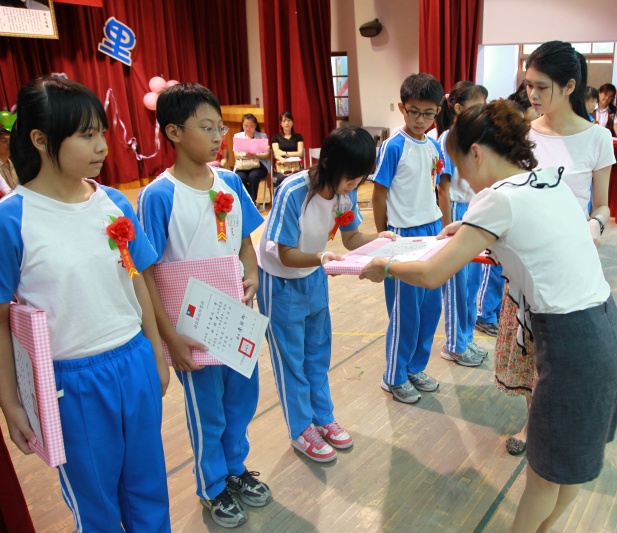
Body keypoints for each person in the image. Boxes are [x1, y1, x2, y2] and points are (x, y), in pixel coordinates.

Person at [359, 100, 617, 533]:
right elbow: (531, 237)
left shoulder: (496, 200)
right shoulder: (547, 180)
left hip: (572, 344)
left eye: (461, 166)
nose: (463, 179)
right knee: (570, 468)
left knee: (543, 478)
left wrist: (384, 266)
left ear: (477, 152)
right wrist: (468, 232)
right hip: (606, 330)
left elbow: (431, 273)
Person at [0, 77, 171, 532]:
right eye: (86, 135)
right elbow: (0, 321)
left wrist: (155, 352)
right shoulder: (12, 218)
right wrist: (11, 404)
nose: (102, 146)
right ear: (41, 140)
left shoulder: (112, 201)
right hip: (71, 383)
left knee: (149, 487)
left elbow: (137, 280)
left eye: (102, 133)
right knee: (96, 504)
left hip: (133, 361)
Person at [137, 83, 267, 529]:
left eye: (220, 129)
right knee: (206, 410)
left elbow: (244, 243)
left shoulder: (229, 181)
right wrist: (170, 337)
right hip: (192, 326)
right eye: (206, 128)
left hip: (234, 316)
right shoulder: (158, 195)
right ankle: (212, 485)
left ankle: (234, 468)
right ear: (173, 132)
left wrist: (251, 273)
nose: (217, 137)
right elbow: (146, 272)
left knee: (241, 400)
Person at [497, 40, 616, 457]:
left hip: (570, 264)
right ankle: (533, 421)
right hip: (526, 260)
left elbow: (603, 206)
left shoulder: (597, 138)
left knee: (560, 352)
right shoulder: (524, 134)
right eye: (528, 85)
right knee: (529, 348)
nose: (531, 94)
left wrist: (595, 226)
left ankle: (555, 424)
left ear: (569, 86)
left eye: (541, 87)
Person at [258, 126, 396, 462]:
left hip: (315, 274)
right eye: (351, 177)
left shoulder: (346, 193)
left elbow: (351, 239)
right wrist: (321, 258)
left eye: (360, 178)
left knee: (318, 353)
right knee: (291, 360)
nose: (354, 184)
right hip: (280, 281)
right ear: (330, 163)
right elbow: (284, 253)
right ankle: (300, 428)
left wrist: (381, 239)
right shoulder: (293, 191)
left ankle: (322, 417)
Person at [371, 73, 445, 404]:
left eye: (428, 114)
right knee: (406, 312)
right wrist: (383, 237)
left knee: (431, 307)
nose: (420, 120)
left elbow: (434, 188)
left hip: (432, 230)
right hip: (403, 235)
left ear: (437, 112)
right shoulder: (393, 146)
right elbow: (379, 194)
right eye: (414, 111)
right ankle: (394, 375)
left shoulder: (434, 145)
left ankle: (415, 367)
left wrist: (443, 229)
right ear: (402, 108)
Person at [435, 81, 488, 367]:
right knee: (457, 283)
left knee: (472, 283)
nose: (483, 111)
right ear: (457, 108)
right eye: (477, 105)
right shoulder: (448, 139)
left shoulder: (474, 137)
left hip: (475, 209)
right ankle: (454, 344)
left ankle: (466, 337)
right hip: (457, 210)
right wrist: (448, 228)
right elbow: (443, 188)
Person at [233, 113, 270, 204]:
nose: (248, 129)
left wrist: (255, 155)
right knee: (240, 177)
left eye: (251, 126)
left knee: (253, 176)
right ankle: (247, 200)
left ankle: (252, 202)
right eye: (246, 126)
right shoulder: (238, 136)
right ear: (242, 125)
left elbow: (266, 154)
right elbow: (236, 154)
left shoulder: (262, 136)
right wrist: (245, 155)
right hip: (243, 164)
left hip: (259, 164)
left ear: (255, 125)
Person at [271, 111, 304, 188]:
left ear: (292, 122)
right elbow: (276, 153)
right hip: (282, 167)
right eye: (284, 121)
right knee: (280, 178)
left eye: (289, 120)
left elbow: (300, 153)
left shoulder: (298, 137)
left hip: (295, 166)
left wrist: (284, 153)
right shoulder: (276, 137)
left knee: (301, 178)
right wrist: (281, 158)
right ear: (280, 123)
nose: (286, 123)